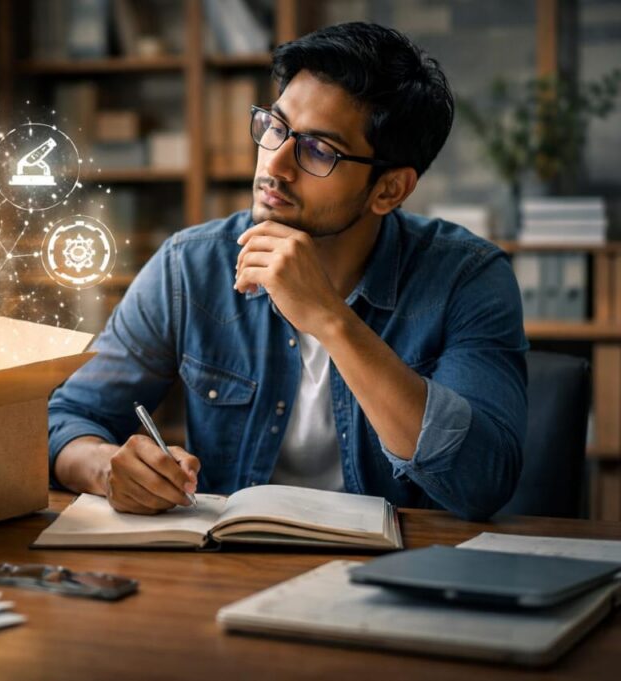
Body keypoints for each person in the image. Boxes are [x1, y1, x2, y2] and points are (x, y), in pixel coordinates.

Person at [47, 22, 528, 521]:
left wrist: (328, 318)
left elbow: (483, 481)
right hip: (230, 568)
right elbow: (65, 418)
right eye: (275, 128)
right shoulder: (190, 266)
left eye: (319, 150)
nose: (274, 164)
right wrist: (108, 469)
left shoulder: (467, 277)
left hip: (399, 571)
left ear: (389, 190)